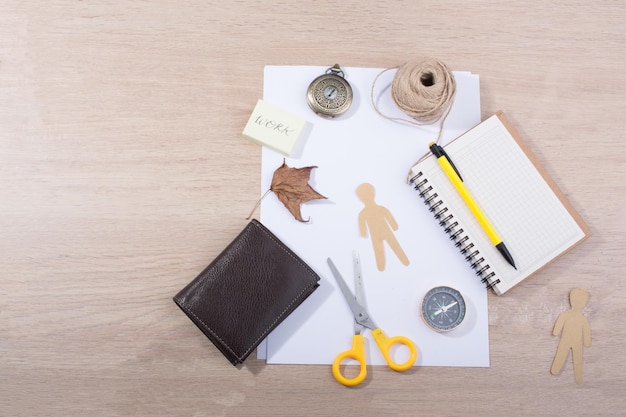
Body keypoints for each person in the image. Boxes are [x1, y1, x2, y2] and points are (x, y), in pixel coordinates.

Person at [356, 183, 409, 271]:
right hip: (376, 235)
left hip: (385, 232)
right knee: (379, 251)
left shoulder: (374, 210)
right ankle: (381, 267)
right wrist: (363, 233)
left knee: (394, 247)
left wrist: (394, 226)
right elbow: (362, 225)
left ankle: (404, 261)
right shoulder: (365, 213)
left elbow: (389, 217)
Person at [550, 288, 591, 384]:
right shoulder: (574, 317)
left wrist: (586, 341)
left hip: (574, 342)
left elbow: (586, 332)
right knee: (566, 355)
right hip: (567, 341)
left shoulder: (580, 319)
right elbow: (557, 328)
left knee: (577, 359)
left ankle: (578, 378)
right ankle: (556, 370)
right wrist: (587, 342)